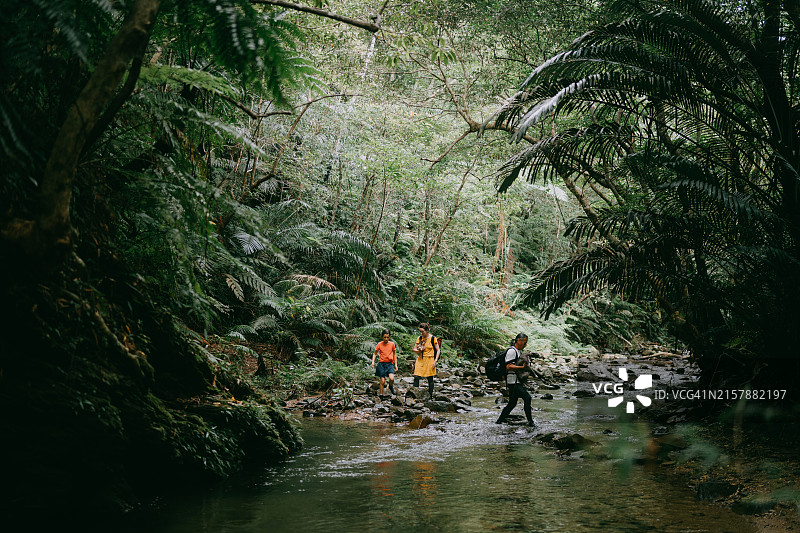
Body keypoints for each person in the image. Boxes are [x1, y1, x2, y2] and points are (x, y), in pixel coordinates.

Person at [496, 333, 535, 427]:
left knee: (512, 403)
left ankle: (499, 421)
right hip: (512, 381)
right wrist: (521, 367)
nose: (525, 345)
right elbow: (508, 366)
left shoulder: (518, 351)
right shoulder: (512, 351)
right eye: (524, 342)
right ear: (519, 341)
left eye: (526, 343)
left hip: (515, 380)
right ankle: (530, 422)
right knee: (527, 397)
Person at [412, 322, 440, 400]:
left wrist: (435, 361)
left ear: (427, 330)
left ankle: (430, 395)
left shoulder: (432, 338)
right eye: (420, 331)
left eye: (422, 331)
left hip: (430, 359)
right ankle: (415, 394)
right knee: (416, 376)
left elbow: (438, 350)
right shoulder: (420, 338)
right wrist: (418, 350)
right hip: (420, 359)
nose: (421, 333)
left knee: (430, 378)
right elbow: (414, 348)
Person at [371, 330, 398, 396]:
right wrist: (373, 362)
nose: (386, 339)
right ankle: (381, 394)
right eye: (385, 337)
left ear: (389, 337)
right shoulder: (379, 344)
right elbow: (375, 354)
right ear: (382, 337)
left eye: (387, 337)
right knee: (382, 380)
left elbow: (394, 354)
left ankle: (391, 387)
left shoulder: (392, 344)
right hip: (381, 364)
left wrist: (396, 365)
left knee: (391, 378)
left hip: (389, 364)